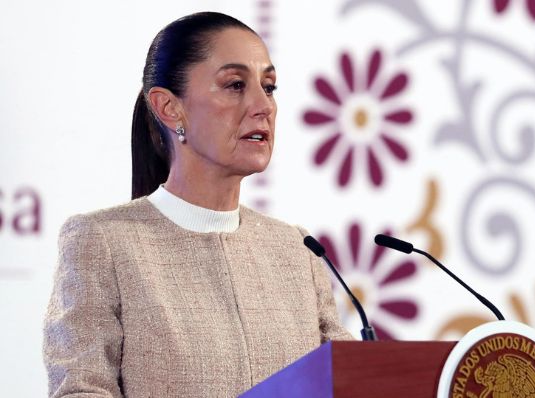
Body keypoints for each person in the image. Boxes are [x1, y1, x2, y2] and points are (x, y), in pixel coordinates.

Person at [43, 11, 352, 397]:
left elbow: (351, 382)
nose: (264, 106)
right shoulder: (103, 242)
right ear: (170, 108)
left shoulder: (296, 250)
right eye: (236, 85)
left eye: (269, 87)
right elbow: (81, 389)